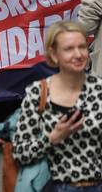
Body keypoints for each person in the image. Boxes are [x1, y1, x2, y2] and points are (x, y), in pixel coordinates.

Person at [12, 20, 102, 191]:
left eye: (82, 47)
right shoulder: (38, 94)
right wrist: (52, 138)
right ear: (53, 54)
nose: (78, 54)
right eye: (69, 49)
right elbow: (21, 153)